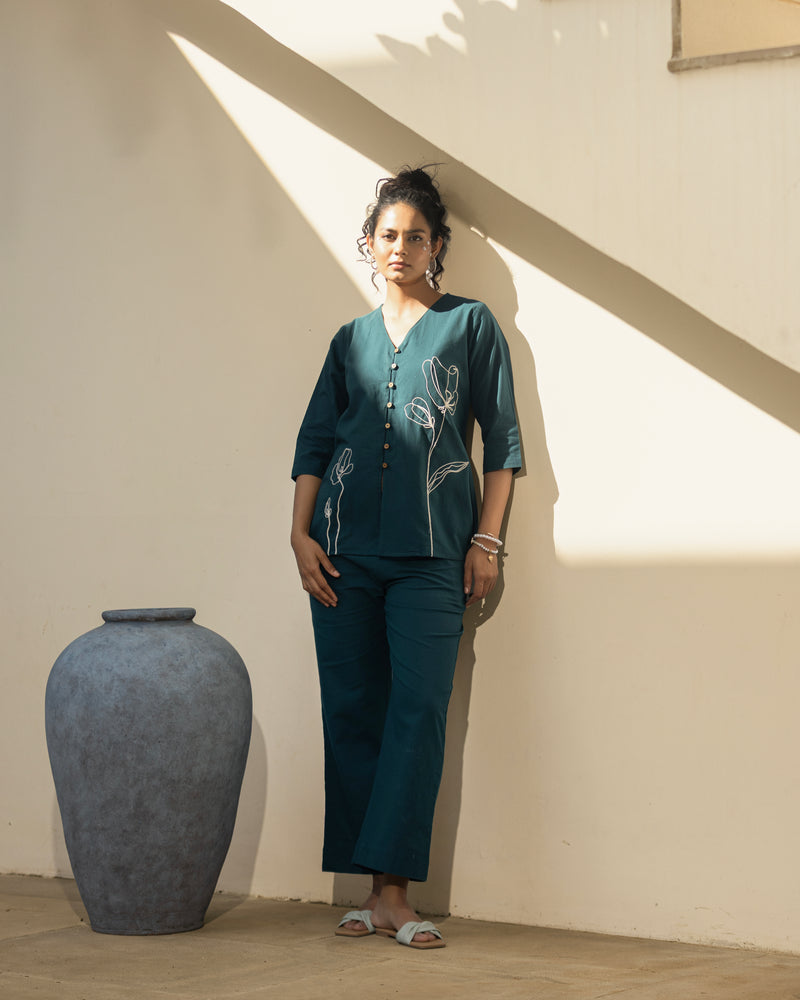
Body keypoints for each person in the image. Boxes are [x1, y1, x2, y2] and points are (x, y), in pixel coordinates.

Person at [290, 166, 520, 950]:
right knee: (353, 710)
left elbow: (504, 444)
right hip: (344, 556)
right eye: (388, 234)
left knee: (417, 713)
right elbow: (315, 443)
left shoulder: (471, 325)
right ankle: (368, 892)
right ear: (370, 243)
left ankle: (395, 893)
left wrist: (487, 539)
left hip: (431, 557)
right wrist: (299, 534)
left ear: (437, 246)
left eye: (415, 235)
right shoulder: (346, 341)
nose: (401, 246)